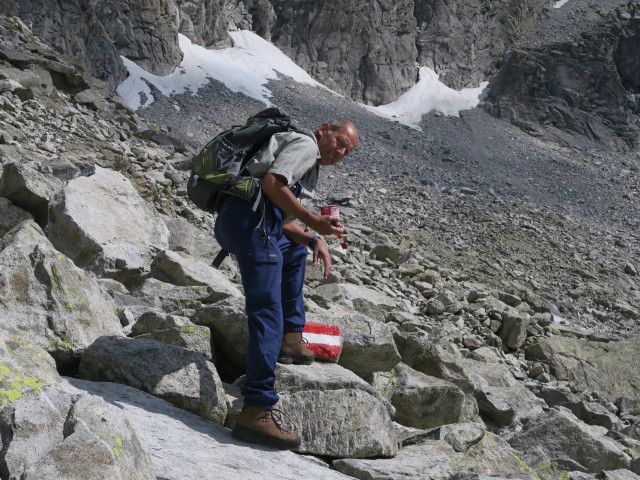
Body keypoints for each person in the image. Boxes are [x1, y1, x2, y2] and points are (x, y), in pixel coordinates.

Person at [214, 118, 359, 450]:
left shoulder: (309, 161)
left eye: (346, 151)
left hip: (243, 222)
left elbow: (283, 219)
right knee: (267, 311)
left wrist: (311, 240)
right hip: (250, 226)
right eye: (339, 142)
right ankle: (257, 409)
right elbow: (272, 185)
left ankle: (291, 340)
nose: (339, 152)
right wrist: (313, 221)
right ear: (324, 130)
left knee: (294, 249)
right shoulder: (306, 145)